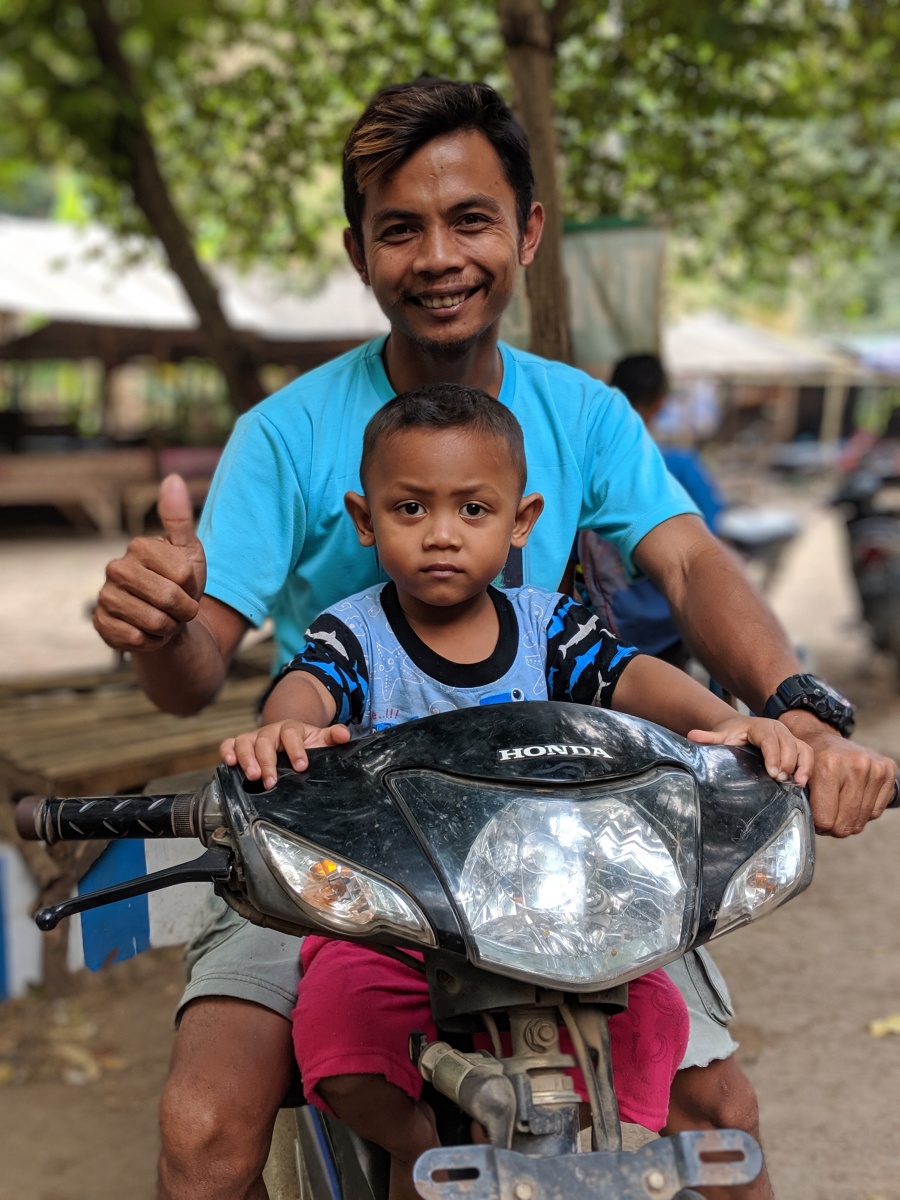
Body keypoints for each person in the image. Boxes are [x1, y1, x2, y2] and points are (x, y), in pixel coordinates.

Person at [91, 78, 895, 1200]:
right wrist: (164, 624)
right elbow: (193, 679)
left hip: (560, 833)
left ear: (525, 233)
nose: (438, 255)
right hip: (340, 845)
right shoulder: (283, 439)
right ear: (359, 251)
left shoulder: (587, 419)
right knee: (207, 1127)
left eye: (470, 219)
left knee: (721, 1116)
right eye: (400, 229)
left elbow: (690, 563)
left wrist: (785, 704)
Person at [220, 383, 813, 1200]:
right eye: (409, 509)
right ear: (364, 520)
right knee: (338, 1033)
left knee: (659, 1014)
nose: (440, 534)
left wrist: (727, 720)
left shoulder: (550, 625)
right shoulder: (352, 632)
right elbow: (306, 689)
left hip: (557, 914)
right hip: (396, 923)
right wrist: (280, 730)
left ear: (521, 520)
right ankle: (416, 1147)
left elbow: (631, 674)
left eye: (473, 510)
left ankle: (605, 1145)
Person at [577, 353, 725, 666]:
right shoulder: (678, 466)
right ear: (660, 402)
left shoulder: (583, 465)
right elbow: (707, 542)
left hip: (595, 629)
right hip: (664, 627)